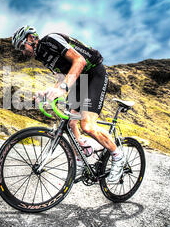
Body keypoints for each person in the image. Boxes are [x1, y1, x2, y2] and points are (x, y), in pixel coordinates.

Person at [11, 25, 125, 183]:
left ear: (31, 38)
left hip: (94, 74)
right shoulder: (41, 56)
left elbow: (80, 60)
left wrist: (63, 88)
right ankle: (80, 160)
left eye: (22, 47)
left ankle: (118, 157)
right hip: (80, 80)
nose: (23, 52)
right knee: (71, 123)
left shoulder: (51, 40)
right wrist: (47, 93)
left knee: (87, 126)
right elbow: (62, 76)